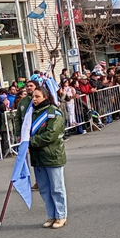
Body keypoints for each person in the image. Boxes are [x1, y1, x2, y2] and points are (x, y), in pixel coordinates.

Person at [27, 87, 68, 228]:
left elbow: (51, 134)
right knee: (44, 189)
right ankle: (51, 216)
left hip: (52, 155)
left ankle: (61, 215)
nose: (34, 99)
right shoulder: (31, 113)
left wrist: (30, 142)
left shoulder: (53, 113)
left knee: (57, 188)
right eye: (33, 96)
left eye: (37, 96)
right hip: (38, 157)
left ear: (45, 97)